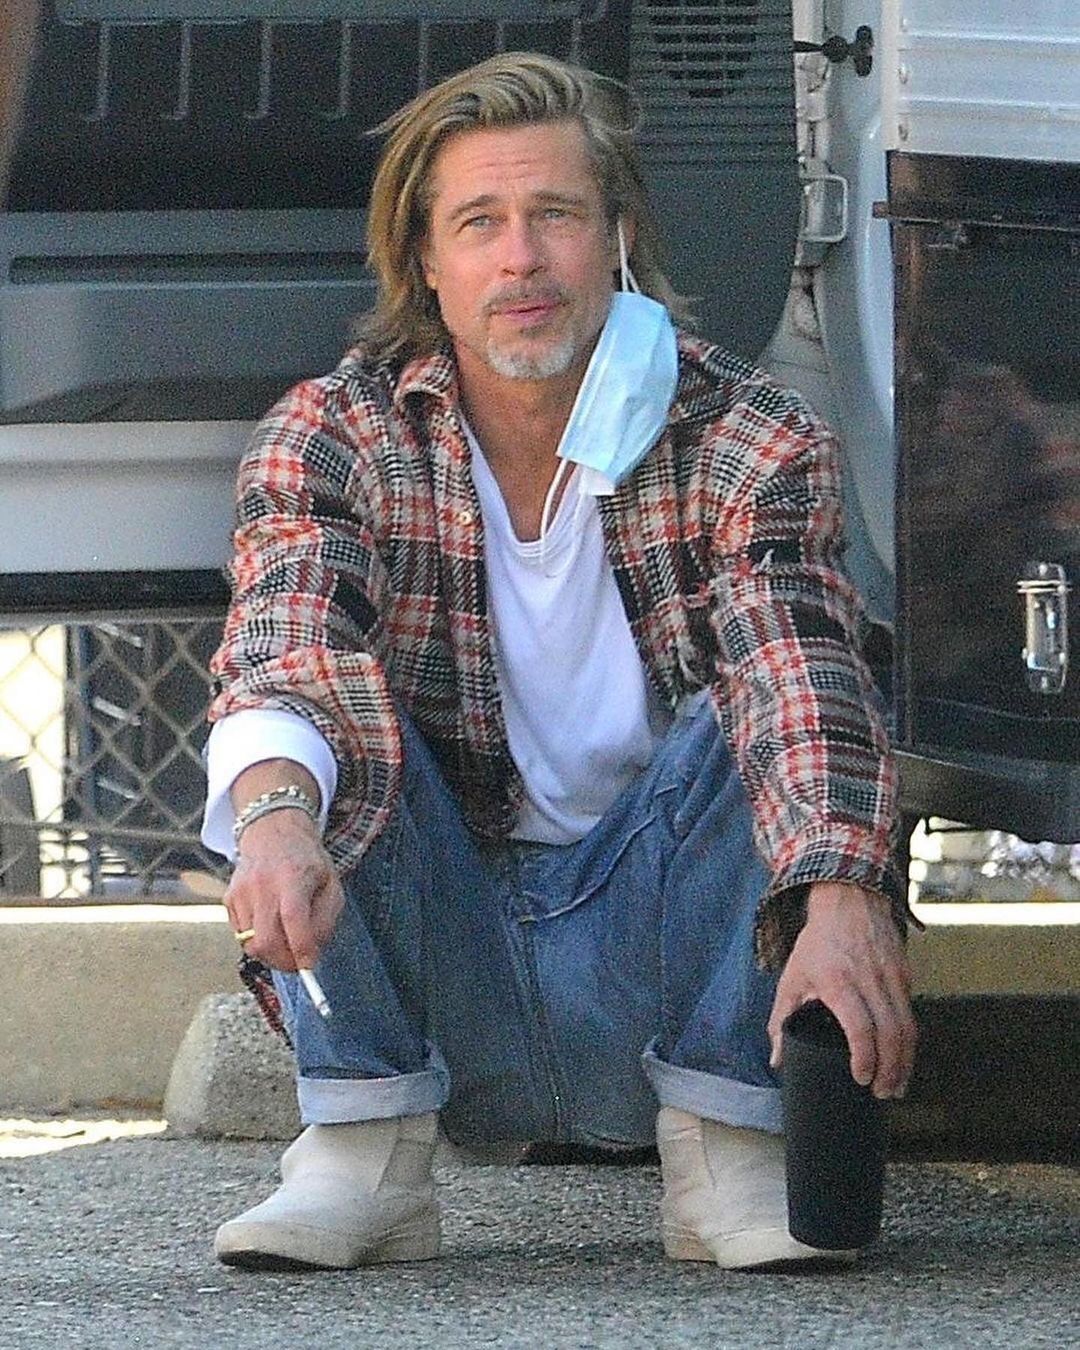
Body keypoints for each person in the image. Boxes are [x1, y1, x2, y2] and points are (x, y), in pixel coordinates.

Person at [202, 51, 916, 1273]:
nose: (521, 259)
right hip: (445, 961)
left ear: (620, 236)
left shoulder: (748, 432)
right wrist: (272, 819)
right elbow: (290, 634)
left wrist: (845, 892)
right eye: (479, 223)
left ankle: (725, 1153)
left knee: (778, 704)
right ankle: (362, 1154)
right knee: (307, 730)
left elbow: (794, 665)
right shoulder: (334, 431)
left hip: (673, 963)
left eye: (556, 216)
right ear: (426, 262)